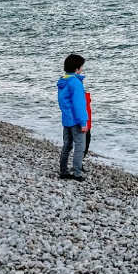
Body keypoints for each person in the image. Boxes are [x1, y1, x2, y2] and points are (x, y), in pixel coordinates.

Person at [57, 54, 89, 182]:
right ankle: (77, 173)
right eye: (81, 67)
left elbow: (63, 102)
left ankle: (63, 170)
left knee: (67, 145)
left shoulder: (62, 81)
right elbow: (79, 104)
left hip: (66, 119)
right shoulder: (75, 82)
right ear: (76, 69)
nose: (82, 69)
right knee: (80, 146)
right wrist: (83, 122)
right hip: (76, 120)